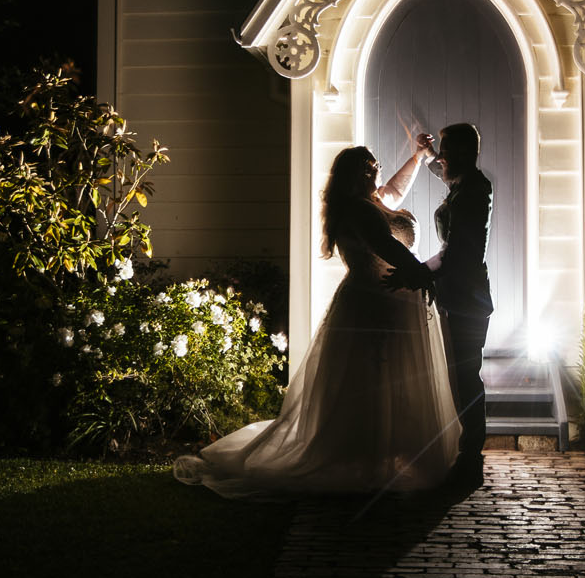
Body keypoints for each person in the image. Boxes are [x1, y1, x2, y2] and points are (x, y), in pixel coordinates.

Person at [173, 145, 459, 499]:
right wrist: (426, 275)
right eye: (369, 168)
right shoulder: (357, 209)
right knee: (371, 378)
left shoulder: (376, 200)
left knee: (395, 378)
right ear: (354, 175)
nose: (376, 171)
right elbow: (387, 246)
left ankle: (389, 453)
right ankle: (364, 457)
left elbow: (396, 190)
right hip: (371, 303)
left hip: (395, 300)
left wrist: (417, 158)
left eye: (376, 166)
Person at [395, 123, 492, 488]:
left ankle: (471, 460)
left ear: (466, 152)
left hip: (467, 299)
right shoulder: (463, 183)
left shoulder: (474, 192)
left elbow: (456, 253)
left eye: (447, 149)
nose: (443, 157)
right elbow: (444, 168)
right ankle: (466, 455)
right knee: (458, 378)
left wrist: (417, 272)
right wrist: (425, 154)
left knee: (467, 379)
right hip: (454, 296)